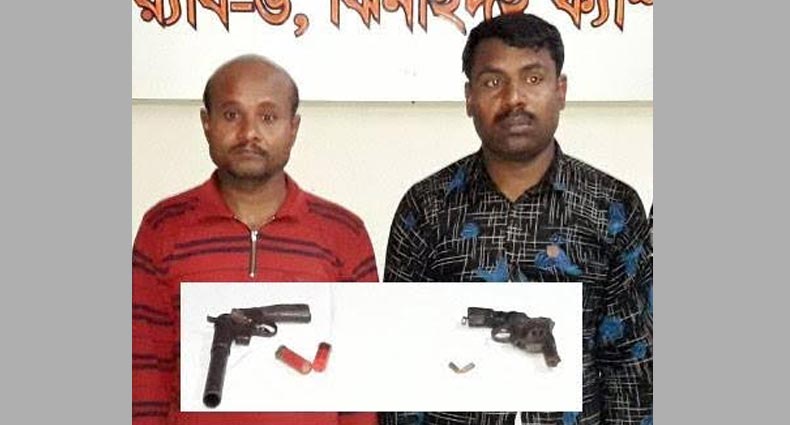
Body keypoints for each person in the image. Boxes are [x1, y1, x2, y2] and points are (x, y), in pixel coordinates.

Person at [382, 13, 652, 425]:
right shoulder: (426, 209)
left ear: (561, 91)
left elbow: (631, 368)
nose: (513, 99)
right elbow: (400, 360)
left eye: (533, 78)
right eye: (493, 82)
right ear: (469, 97)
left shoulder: (612, 208)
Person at [132, 54, 379, 425]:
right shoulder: (162, 228)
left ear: (293, 128)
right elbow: (143, 369)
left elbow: (358, 378)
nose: (249, 133)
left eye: (268, 117)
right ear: (206, 123)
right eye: (232, 114)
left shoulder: (344, 233)